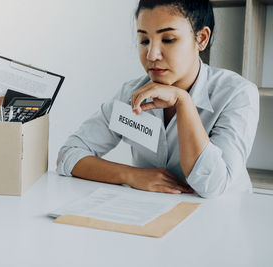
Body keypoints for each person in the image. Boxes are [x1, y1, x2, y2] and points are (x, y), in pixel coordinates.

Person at [56, 0, 259, 198]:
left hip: (222, 220)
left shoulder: (237, 94)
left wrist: (183, 102)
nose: (151, 55)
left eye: (168, 39)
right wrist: (131, 175)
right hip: (154, 217)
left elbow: (212, 185)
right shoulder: (131, 94)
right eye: (144, 40)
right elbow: (69, 156)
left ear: (202, 39)